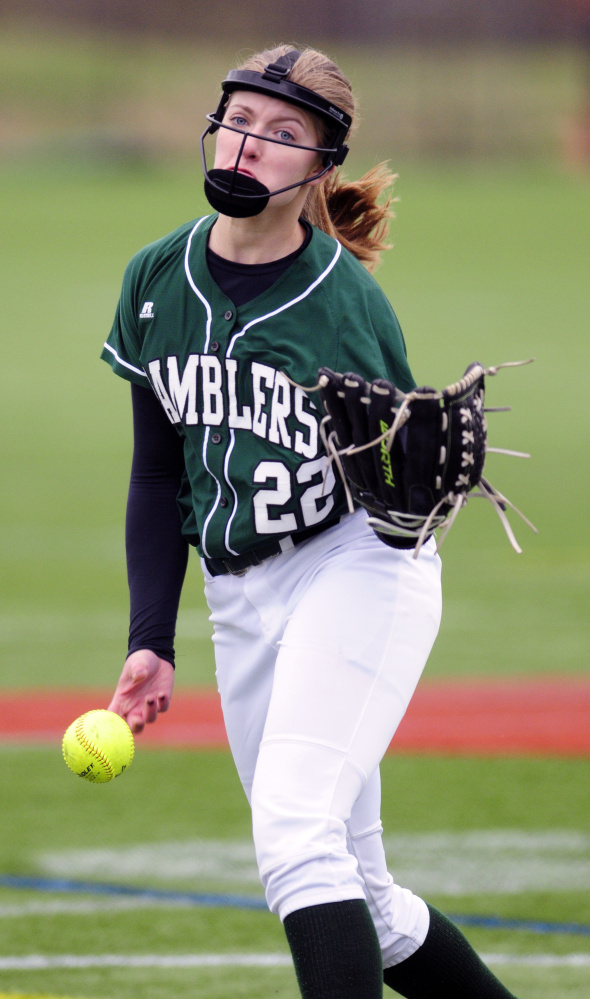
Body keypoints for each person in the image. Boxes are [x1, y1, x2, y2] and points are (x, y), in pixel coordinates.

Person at [102, 44, 520, 999]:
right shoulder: (157, 277)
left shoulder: (343, 304)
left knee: (293, 833)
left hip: (355, 567)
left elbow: (403, 478)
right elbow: (158, 468)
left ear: (321, 169)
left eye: (284, 134)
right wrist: (149, 638)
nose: (251, 144)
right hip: (239, 593)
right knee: (363, 900)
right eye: (242, 118)